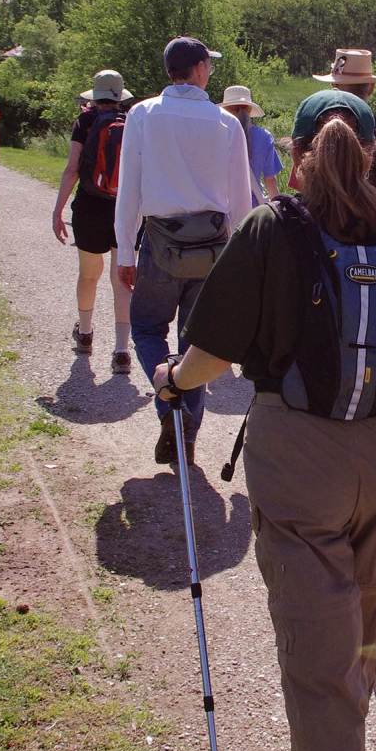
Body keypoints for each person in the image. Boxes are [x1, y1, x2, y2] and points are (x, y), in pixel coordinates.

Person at [150, 89, 376, 751]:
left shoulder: (271, 229)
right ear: (373, 154)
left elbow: (212, 358)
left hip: (296, 453)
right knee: (365, 615)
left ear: (298, 157)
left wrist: (172, 380)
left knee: (318, 647)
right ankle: (343, 730)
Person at [114, 37, 252, 465]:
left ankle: (169, 405)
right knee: (198, 342)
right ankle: (186, 423)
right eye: (207, 65)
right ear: (197, 69)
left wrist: (124, 252)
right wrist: (243, 261)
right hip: (212, 251)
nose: (209, 70)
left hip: (160, 243)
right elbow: (241, 200)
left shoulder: (143, 114)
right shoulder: (226, 123)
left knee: (147, 328)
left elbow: (130, 188)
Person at [51, 69, 135, 375]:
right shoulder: (133, 121)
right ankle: (122, 351)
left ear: (95, 95)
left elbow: (72, 168)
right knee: (121, 279)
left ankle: (85, 335)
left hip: (89, 207)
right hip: (124, 210)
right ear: (119, 95)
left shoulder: (85, 122)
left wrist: (58, 209)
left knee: (89, 275)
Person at [286, 48, 376, 209]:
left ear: (333, 85)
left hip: (317, 228)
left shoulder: (311, 126)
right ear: (371, 88)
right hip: (375, 228)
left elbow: (302, 188)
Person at [221, 84, 283, 204]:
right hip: (253, 209)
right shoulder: (264, 136)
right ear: (250, 110)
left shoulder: (217, 135)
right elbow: (270, 180)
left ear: (225, 110)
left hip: (223, 208)